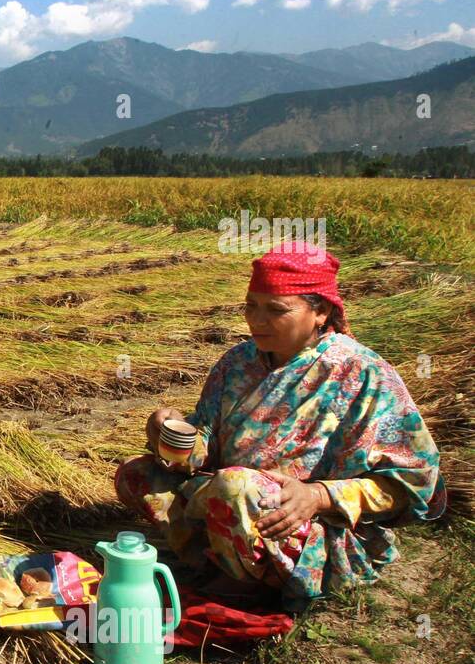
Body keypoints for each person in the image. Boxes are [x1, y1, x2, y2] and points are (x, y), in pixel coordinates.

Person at [115, 242, 446, 609]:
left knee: (235, 485)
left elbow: (417, 482)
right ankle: (225, 555)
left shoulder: (362, 373)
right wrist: (171, 434)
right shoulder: (237, 363)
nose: (256, 320)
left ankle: (252, 578)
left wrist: (318, 495)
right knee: (137, 474)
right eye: (250, 306)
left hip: (307, 523)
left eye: (276, 310)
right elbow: (206, 447)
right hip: (231, 500)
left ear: (320, 312)